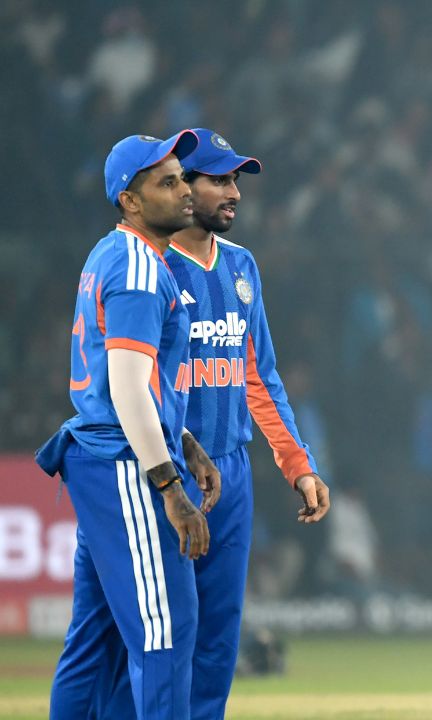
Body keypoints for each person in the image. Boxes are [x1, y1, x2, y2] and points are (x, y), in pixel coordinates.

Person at [35, 131, 220, 719]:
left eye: (182, 177)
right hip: (125, 467)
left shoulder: (112, 253)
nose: (185, 189)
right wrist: (170, 487)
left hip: (101, 458)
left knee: (96, 642)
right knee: (167, 629)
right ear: (131, 201)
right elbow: (126, 386)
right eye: (166, 182)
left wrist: (184, 440)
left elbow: (136, 380)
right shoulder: (140, 268)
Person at [165, 128, 331, 718]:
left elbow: (260, 379)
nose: (233, 192)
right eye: (218, 180)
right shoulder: (151, 265)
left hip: (231, 472)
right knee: (166, 635)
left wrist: (298, 466)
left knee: (218, 640)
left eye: (235, 179)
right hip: (168, 470)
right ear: (181, 188)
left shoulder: (242, 266)